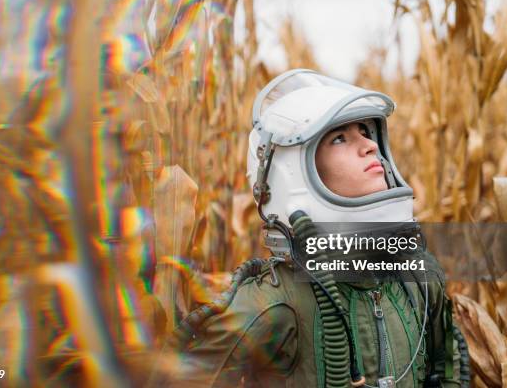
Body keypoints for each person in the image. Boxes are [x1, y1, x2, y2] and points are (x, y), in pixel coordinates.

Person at [151, 69, 470, 388]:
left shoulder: (418, 280)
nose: (369, 146)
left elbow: (450, 376)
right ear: (293, 172)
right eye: (340, 138)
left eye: (365, 131)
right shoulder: (274, 301)